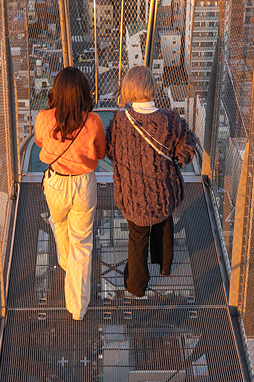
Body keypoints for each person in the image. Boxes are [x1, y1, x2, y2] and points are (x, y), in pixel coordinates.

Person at [105, 65, 197, 298]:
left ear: (128, 89)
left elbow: (110, 150)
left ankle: (136, 286)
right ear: (152, 88)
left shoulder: (119, 120)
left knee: (137, 238)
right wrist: (178, 157)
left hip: (134, 196)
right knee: (164, 222)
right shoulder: (171, 119)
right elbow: (186, 148)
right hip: (163, 192)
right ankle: (164, 265)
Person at [35, 66, 106, 320]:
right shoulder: (93, 121)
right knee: (82, 243)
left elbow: (40, 142)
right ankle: (77, 307)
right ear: (83, 92)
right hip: (83, 184)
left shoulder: (44, 118)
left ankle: (66, 264)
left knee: (59, 223)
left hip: (56, 183)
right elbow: (100, 154)